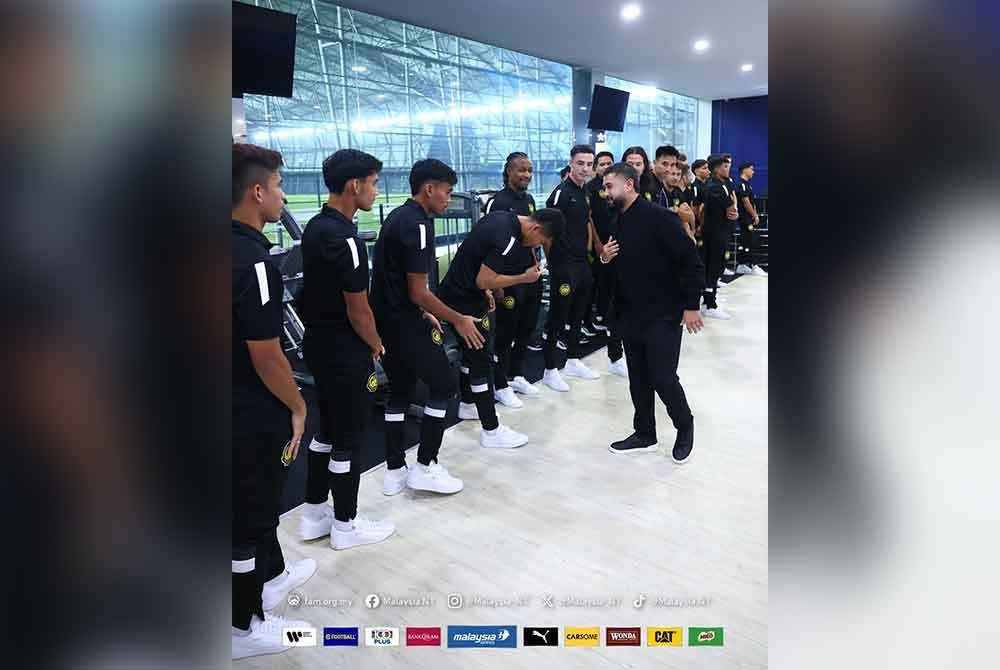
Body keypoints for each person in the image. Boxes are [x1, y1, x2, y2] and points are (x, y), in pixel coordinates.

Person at [231, 143, 314, 659]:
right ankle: (240, 627)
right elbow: (266, 356)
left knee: (245, 505)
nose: (283, 196)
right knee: (248, 518)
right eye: (280, 185)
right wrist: (298, 406)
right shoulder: (256, 263)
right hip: (247, 408)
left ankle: (270, 577)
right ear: (258, 192)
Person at [296, 149, 395, 550]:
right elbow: (358, 309)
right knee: (348, 438)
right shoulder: (347, 239)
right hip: (344, 348)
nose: (376, 191)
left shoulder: (315, 227)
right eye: (373, 183)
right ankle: (345, 525)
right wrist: (376, 344)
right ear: (354, 185)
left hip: (318, 344)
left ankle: (314, 513)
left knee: (328, 429)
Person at [371, 159, 481, 496]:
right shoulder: (418, 224)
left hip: (388, 320)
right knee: (444, 385)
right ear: (429, 189)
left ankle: (394, 470)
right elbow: (418, 291)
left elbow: (397, 283)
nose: (449, 199)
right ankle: (425, 465)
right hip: (402, 323)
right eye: (447, 192)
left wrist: (423, 311)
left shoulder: (396, 217)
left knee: (401, 391)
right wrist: (458, 318)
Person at [598, 162, 705, 463]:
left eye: (609, 186)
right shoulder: (617, 219)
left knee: (663, 377)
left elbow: (691, 262)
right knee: (638, 378)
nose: (605, 193)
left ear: (629, 184)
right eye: (604, 187)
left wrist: (691, 305)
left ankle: (685, 425)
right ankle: (645, 433)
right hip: (630, 312)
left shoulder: (659, 218)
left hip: (663, 312)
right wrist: (605, 258)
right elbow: (618, 265)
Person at [437, 206, 565, 448]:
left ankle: (467, 403)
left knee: (472, 356)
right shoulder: (508, 239)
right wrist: (524, 277)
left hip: (461, 293)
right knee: (482, 361)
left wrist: (487, 290)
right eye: (539, 242)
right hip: (463, 301)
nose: (534, 247)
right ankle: (491, 430)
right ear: (535, 228)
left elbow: (476, 260)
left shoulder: (502, 218)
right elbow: (483, 279)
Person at [484, 152, 542, 405]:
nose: (526, 175)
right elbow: (487, 241)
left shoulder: (529, 200)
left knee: (526, 328)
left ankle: (516, 374)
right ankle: (500, 383)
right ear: (509, 171)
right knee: (505, 332)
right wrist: (493, 286)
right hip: (507, 279)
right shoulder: (497, 202)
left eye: (529, 170)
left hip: (530, 275)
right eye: (521, 170)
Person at [542, 144, 601, 391]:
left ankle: (573, 359)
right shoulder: (561, 193)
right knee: (558, 317)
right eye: (580, 163)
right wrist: (554, 263)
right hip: (563, 265)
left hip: (581, 263)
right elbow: (546, 232)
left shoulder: (584, 191)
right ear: (570, 163)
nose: (585, 168)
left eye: (589, 164)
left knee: (578, 313)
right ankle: (549, 369)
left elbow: (584, 224)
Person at [584, 150, 628, 375]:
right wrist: (599, 249)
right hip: (606, 253)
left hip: (633, 265)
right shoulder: (592, 192)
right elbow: (591, 220)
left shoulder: (643, 202)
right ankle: (615, 355)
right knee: (610, 297)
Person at [701, 154, 740, 319]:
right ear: (716, 169)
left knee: (716, 267)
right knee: (713, 267)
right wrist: (733, 210)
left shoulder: (724, 184)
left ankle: (708, 301)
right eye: (725, 166)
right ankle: (710, 304)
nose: (728, 168)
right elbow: (731, 208)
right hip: (715, 232)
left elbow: (732, 208)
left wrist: (734, 211)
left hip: (722, 230)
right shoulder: (714, 187)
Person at [735, 161, 767, 276]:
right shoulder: (741, 185)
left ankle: (742, 265)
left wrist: (755, 214)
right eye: (751, 169)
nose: (753, 172)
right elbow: (746, 202)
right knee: (750, 241)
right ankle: (754, 265)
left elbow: (752, 202)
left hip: (749, 217)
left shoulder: (748, 185)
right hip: (745, 218)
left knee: (746, 241)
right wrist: (754, 215)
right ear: (745, 170)